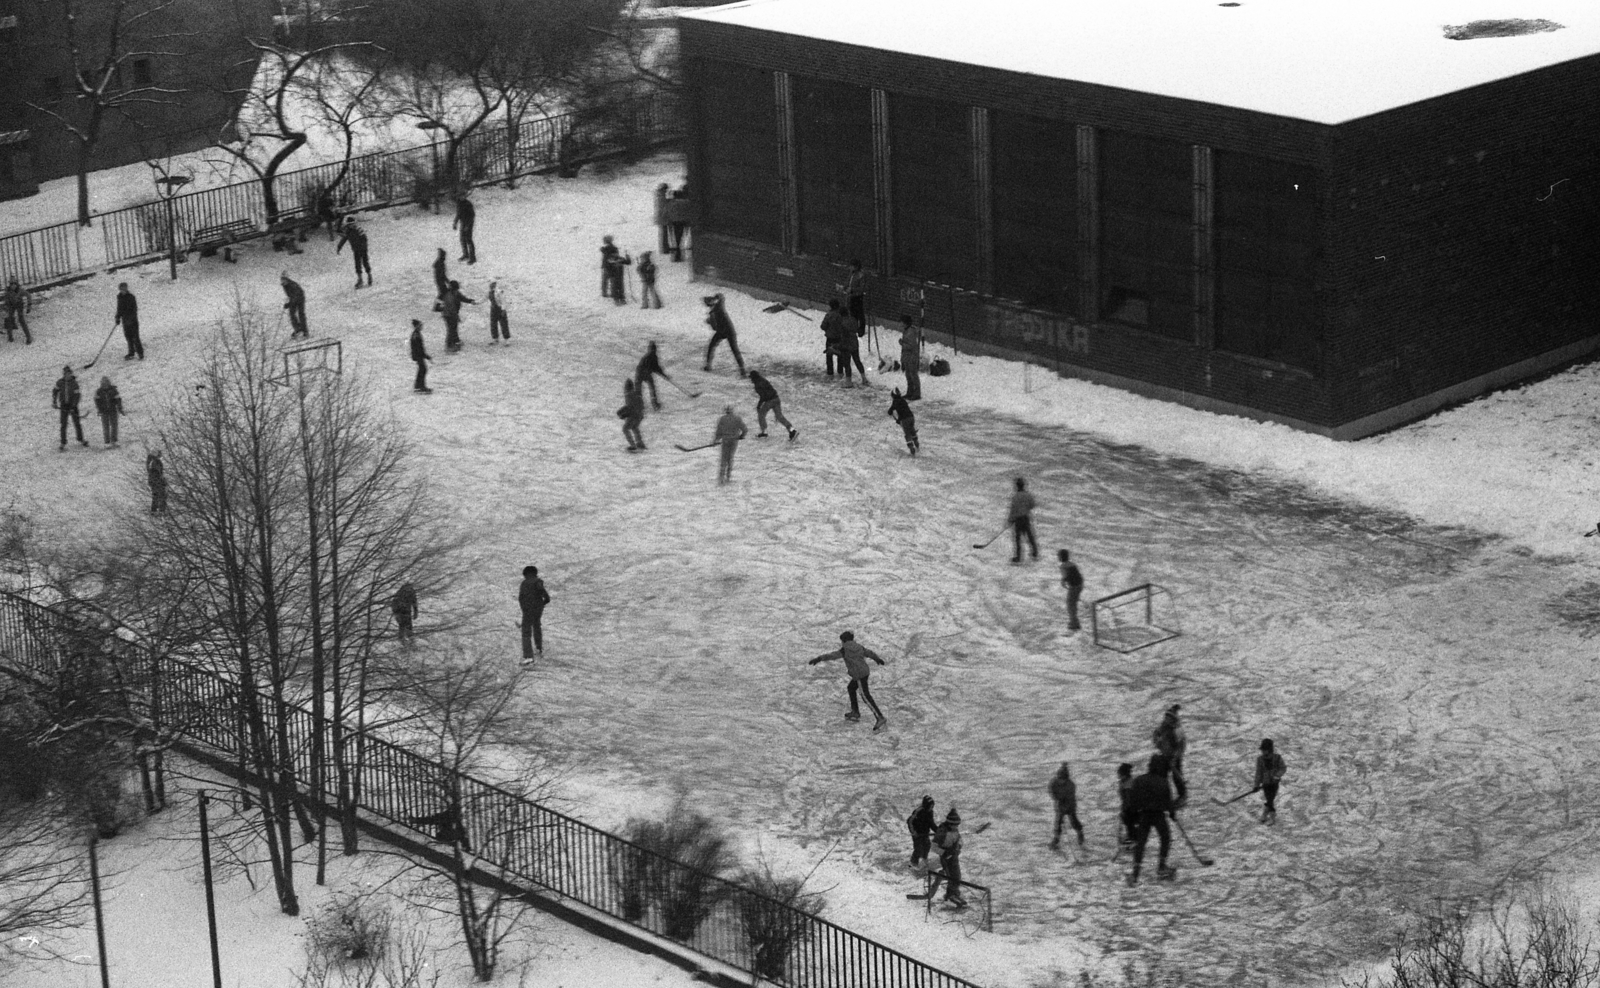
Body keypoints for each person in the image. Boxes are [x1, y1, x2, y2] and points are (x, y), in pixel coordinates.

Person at [807, 630, 887, 731]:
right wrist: (877, 659)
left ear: (844, 640)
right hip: (865, 671)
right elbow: (869, 653)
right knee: (851, 688)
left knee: (865, 696)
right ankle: (855, 712)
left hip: (859, 674)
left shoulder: (845, 650)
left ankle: (880, 717)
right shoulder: (859, 646)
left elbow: (832, 655)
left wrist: (819, 659)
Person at [1126, 755, 1177, 885]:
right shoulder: (1163, 781)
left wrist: (1133, 814)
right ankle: (1161, 866)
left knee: (1141, 843)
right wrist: (1172, 813)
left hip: (1144, 816)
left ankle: (1135, 874)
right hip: (1158, 815)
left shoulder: (1139, 780)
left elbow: (1132, 801)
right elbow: (1168, 801)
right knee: (1165, 838)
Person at [927, 809, 966, 906]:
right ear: (949, 823)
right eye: (954, 825)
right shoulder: (942, 832)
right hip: (946, 857)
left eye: (957, 825)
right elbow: (933, 846)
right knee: (951, 876)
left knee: (957, 875)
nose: (956, 827)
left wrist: (959, 846)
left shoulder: (955, 830)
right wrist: (944, 852)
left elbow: (959, 839)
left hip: (954, 856)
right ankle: (949, 896)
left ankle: (954, 894)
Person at [1152, 704, 1188, 806]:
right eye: (1166, 716)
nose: (1166, 719)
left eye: (1169, 717)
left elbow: (1181, 746)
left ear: (1173, 719)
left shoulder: (1177, 730)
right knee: (1162, 776)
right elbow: (1156, 733)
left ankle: (1183, 796)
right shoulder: (1164, 726)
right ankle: (1164, 797)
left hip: (1174, 756)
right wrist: (1157, 742)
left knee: (1176, 776)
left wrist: (1175, 758)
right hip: (1165, 754)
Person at [702, 293, 746, 376]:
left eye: (710, 303)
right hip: (721, 331)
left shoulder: (719, 306)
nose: (710, 306)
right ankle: (708, 365)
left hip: (729, 330)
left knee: (734, 349)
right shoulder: (712, 313)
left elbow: (721, 296)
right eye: (708, 305)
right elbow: (714, 328)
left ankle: (742, 369)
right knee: (711, 345)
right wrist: (710, 322)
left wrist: (715, 299)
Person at [748, 371, 797, 441]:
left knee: (761, 414)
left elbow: (763, 396)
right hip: (776, 399)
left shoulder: (757, 385)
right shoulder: (764, 380)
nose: (751, 380)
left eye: (751, 378)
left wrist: (759, 405)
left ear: (753, 378)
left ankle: (764, 432)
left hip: (769, 401)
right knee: (779, 417)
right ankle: (792, 430)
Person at [52, 365, 90, 451]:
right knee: (63, 424)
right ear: (64, 374)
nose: (68, 375)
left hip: (73, 406)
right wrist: (54, 401)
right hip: (63, 406)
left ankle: (81, 439)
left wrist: (73, 406)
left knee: (77, 423)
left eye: (69, 374)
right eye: (66, 374)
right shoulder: (60, 382)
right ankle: (63, 442)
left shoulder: (74, 383)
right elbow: (55, 391)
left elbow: (77, 395)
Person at [518, 565, 551, 661]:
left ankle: (528, 656)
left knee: (526, 632)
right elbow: (545, 596)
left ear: (526, 574)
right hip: (538, 609)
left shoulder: (524, 583)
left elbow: (521, 598)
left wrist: (524, 609)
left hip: (528, 610)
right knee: (537, 626)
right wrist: (542, 603)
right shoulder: (538, 581)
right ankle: (538, 648)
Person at [1048, 762, 1084, 850]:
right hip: (1060, 804)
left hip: (1070, 805)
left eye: (1063, 779)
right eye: (1059, 778)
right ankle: (1056, 839)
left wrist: (1065, 807)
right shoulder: (1054, 782)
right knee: (1058, 822)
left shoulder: (1071, 785)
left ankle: (1080, 833)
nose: (1061, 781)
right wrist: (1056, 799)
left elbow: (1070, 799)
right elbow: (1051, 791)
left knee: (1073, 821)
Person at [713, 403, 747, 485]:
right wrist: (741, 436)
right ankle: (728, 477)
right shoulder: (737, 418)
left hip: (725, 440)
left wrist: (716, 440)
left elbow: (719, 431)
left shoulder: (722, 419)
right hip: (734, 440)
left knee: (723, 458)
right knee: (730, 458)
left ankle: (721, 477)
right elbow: (745, 429)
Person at [1254, 738, 1287, 824]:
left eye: (1265, 750)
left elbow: (1283, 768)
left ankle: (1268, 815)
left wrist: (1277, 776)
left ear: (1269, 750)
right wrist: (1256, 785)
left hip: (1274, 783)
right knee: (1269, 799)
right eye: (1262, 750)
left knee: (1270, 799)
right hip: (1265, 784)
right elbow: (1258, 773)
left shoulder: (1277, 758)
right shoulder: (1260, 760)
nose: (1263, 752)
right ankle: (1269, 814)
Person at [1008, 477, 1039, 563]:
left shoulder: (1015, 497)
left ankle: (1018, 557)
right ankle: (1035, 553)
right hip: (1026, 518)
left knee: (1018, 539)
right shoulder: (1028, 495)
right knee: (1030, 536)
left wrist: (1010, 520)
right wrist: (1026, 508)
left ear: (1017, 486)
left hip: (1018, 520)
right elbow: (1032, 505)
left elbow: (1013, 510)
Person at [439, 280, 476, 352]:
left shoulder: (455, 293)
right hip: (448, 315)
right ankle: (449, 346)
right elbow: (452, 309)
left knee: (454, 328)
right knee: (451, 329)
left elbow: (462, 298)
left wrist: (470, 301)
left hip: (452, 314)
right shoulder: (449, 296)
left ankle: (456, 341)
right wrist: (456, 317)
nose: (457, 290)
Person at [336, 219, 373, 289]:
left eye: (353, 224)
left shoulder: (359, 229)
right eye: (350, 225)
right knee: (357, 264)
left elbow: (365, 239)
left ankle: (369, 275)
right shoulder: (348, 232)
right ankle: (360, 279)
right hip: (356, 250)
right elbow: (343, 239)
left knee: (365, 262)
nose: (352, 225)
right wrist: (339, 247)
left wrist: (364, 248)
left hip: (362, 249)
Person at [634, 341, 670, 411]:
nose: (653, 350)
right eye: (653, 349)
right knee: (645, 389)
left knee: (647, 388)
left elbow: (656, 368)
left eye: (653, 349)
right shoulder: (650, 357)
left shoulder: (651, 356)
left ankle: (651, 405)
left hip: (642, 373)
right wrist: (662, 374)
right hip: (642, 373)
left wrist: (664, 375)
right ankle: (650, 405)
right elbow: (654, 368)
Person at [836, 307, 867, 385]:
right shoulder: (853, 319)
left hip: (846, 344)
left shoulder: (841, 322)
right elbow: (856, 329)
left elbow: (841, 334)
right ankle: (864, 378)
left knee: (847, 363)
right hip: (854, 342)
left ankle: (848, 381)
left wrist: (839, 345)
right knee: (857, 360)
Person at [907, 795, 936, 869]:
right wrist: (913, 832)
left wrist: (937, 830)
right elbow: (909, 821)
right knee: (918, 848)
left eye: (932, 806)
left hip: (925, 833)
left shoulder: (930, 812)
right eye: (930, 806)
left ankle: (924, 861)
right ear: (926, 805)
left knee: (927, 846)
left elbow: (931, 823)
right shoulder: (919, 811)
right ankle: (913, 864)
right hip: (917, 834)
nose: (931, 808)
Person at [93, 375, 123, 447]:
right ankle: (107, 441)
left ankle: (114, 440)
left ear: (109, 383)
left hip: (113, 410)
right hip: (104, 411)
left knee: (114, 426)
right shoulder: (99, 391)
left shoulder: (113, 390)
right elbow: (97, 401)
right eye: (103, 383)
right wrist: (99, 409)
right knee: (106, 427)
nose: (105, 384)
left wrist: (119, 408)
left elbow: (118, 400)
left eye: (106, 382)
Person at [888, 387, 919, 455]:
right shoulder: (903, 400)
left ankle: (911, 446)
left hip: (904, 420)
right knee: (912, 429)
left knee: (907, 433)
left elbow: (891, 411)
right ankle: (916, 441)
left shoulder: (895, 402)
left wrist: (898, 419)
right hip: (911, 417)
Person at [898, 314, 922, 400]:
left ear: (905, 323)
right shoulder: (907, 330)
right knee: (908, 375)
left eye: (901, 322)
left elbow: (911, 346)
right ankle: (910, 392)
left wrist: (902, 344)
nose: (900, 323)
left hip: (911, 357)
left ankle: (916, 393)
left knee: (913, 375)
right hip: (907, 357)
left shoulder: (910, 332)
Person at [1059, 550, 1084, 631]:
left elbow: (1065, 577)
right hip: (1080, 585)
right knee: (1073, 604)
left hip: (1074, 587)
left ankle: (1074, 623)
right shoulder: (1072, 563)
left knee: (1070, 605)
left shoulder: (1063, 566)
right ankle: (1075, 622)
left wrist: (1063, 582)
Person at [114, 282, 141, 359]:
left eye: (124, 289)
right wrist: (117, 317)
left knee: (136, 337)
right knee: (128, 337)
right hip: (125, 321)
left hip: (133, 321)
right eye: (121, 289)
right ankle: (131, 353)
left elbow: (134, 310)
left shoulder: (131, 297)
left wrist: (131, 319)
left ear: (126, 289)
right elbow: (119, 309)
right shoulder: (120, 298)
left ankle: (140, 353)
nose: (123, 291)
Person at [619, 378, 646, 451]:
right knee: (634, 427)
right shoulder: (637, 394)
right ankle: (640, 442)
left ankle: (632, 445)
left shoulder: (628, 395)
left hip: (634, 415)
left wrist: (622, 413)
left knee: (625, 429)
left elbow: (629, 406)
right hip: (640, 415)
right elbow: (641, 405)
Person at [841, 258, 867, 335]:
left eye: (852, 266)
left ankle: (861, 329)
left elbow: (862, 288)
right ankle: (855, 326)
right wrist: (843, 287)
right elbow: (848, 282)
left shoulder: (860, 275)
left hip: (857, 296)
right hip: (851, 296)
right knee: (853, 312)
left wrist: (852, 289)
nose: (850, 268)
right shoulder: (852, 273)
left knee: (859, 313)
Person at [820, 299, 844, 377]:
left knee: (829, 355)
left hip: (830, 338)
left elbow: (823, 326)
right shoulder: (841, 315)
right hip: (839, 338)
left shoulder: (828, 315)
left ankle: (830, 372)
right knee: (840, 355)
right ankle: (840, 371)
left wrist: (828, 329)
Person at [4, 275, 31, 345]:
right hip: (11, 305)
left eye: (14, 284)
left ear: (16, 284)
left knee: (21, 320)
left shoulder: (20, 290)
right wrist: (7, 307)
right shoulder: (7, 291)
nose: (13, 286)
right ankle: (10, 336)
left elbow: (28, 295)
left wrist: (29, 306)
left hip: (19, 305)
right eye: (11, 284)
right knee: (9, 319)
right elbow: (6, 300)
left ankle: (29, 337)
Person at [1116, 762, 1137, 849]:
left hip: (1132, 809)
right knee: (1128, 822)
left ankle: (1133, 839)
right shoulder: (1124, 782)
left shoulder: (1128, 784)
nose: (1118, 776)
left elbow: (1128, 800)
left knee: (1129, 821)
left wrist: (1124, 810)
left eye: (1119, 774)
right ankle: (1132, 837)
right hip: (1128, 807)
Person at [281, 272, 308, 338]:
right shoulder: (284, 285)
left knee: (301, 314)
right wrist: (289, 303)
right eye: (282, 279)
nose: (282, 281)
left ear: (287, 279)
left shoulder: (293, 285)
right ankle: (298, 329)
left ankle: (305, 331)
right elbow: (290, 296)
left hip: (300, 298)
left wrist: (289, 304)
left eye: (284, 279)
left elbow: (295, 296)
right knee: (292, 314)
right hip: (294, 299)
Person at [409, 319, 432, 393]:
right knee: (423, 369)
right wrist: (426, 356)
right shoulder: (416, 335)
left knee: (422, 369)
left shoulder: (416, 334)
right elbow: (419, 348)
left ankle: (419, 386)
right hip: (418, 355)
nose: (422, 327)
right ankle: (420, 386)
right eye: (420, 325)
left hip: (418, 355)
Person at [453, 195, 476, 263]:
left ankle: (473, 258)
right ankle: (466, 255)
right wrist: (455, 222)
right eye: (460, 196)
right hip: (463, 223)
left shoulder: (468, 204)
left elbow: (472, 216)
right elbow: (458, 214)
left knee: (468, 240)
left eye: (463, 196)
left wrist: (468, 226)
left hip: (468, 224)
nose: (462, 197)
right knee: (462, 240)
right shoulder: (459, 203)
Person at [147, 450, 168, 514]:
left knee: (155, 495)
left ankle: (154, 510)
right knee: (162, 495)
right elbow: (159, 473)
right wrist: (163, 481)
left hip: (153, 481)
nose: (160, 455)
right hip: (157, 481)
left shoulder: (150, 462)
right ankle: (161, 511)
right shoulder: (156, 462)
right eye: (159, 454)